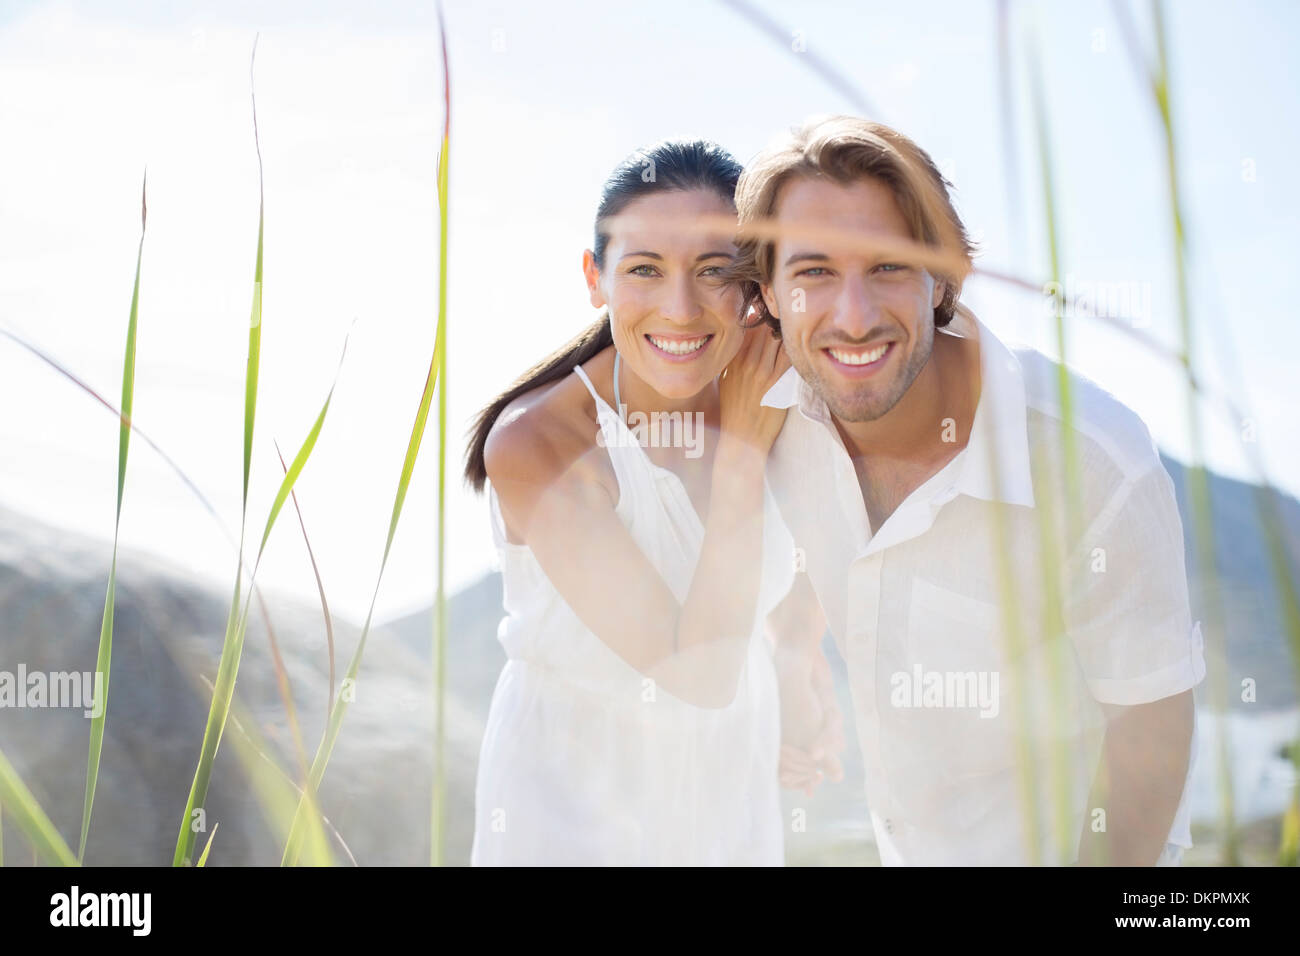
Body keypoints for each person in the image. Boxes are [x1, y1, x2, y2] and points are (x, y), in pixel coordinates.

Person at [729, 115, 1205, 866]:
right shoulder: (770, 410)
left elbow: (1151, 729)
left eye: (887, 265)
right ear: (767, 294)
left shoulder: (1091, 460)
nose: (852, 318)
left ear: (942, 273)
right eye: (814, 272)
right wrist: (793, 645)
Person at [462, 139, 834, 865]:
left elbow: (811, 534)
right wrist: (743, 460)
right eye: (643, 270)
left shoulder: (781, 378)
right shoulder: (540, 442)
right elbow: (694, 675)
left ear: (754, 285)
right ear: (594, 279)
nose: (680, 308)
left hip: (730, 778)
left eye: (715, 272)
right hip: (570, 797)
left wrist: (795, 656)